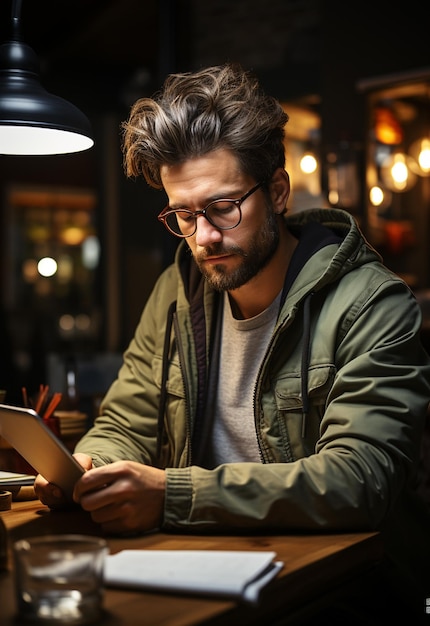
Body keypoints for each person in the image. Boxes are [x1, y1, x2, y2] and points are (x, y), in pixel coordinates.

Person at [35, 63, 430, 623]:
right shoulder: (177, 291)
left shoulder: (372, 304)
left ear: (278, 191)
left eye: (223, 208)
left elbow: (358, 479)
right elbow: (126, 419)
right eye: (184, 215)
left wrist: (171, 496)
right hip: (208, 573)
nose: (204, 237)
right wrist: (89, 469)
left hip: (355, 588)